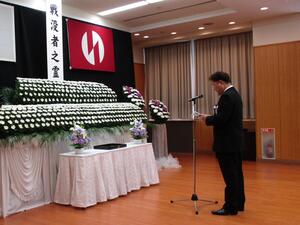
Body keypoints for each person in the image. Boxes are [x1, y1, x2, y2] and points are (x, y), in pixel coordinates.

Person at [198, 71, 245, 216]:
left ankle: (230, 207)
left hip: (227, 144)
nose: (214, 89)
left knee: (230, 177)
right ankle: (239, 203)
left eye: (214, 85)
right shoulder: (235, 94)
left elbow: (221, 119)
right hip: (235, 143)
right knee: (237, 175)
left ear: (220, 83)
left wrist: (206, 119)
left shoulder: (226, 96)